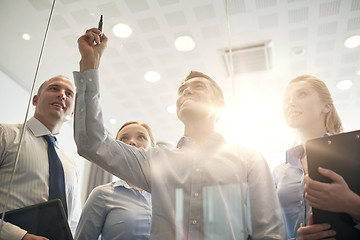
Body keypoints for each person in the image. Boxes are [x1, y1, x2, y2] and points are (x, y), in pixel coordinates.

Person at [73, 28, 286, 239]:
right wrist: (89, 65)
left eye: (198, 87)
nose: (187, 92)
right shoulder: (155, 160)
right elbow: (92, 143)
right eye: (182, 90)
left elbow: (270, 233)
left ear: (219, 104)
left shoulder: (248, 159)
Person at [273, 74, 360, 240]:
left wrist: (351, 203)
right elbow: (270, 232)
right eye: (286, 99)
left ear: (326, 106)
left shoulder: (355, 153)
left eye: (302, 94)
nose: (290, 103)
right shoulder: (278, 172)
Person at [0, 76, 81, 240]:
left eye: (69, 93)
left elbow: (74, 219)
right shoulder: (5, 135)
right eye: (54, 88)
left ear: (72, 112)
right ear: (35, 99)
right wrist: (18, 236)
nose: (62, 95)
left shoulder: (71, 164)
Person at [75, 121, 154, 240]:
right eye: (124, 138)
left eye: (141, 137)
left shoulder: (168, 195)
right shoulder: (101, 194)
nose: (131, 142)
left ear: (153, 148)